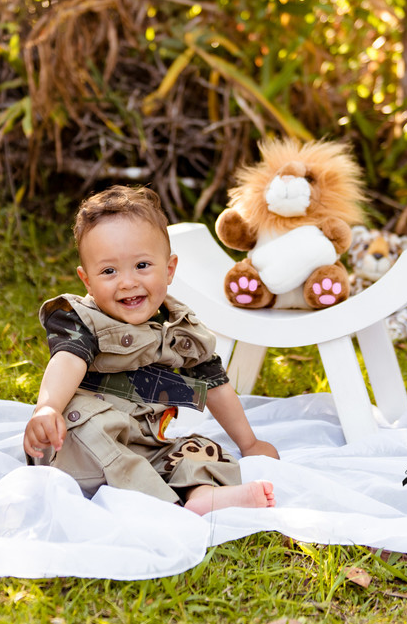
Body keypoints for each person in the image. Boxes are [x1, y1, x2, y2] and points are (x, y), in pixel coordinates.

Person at [23, 185, 278, 515]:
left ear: (169, 269)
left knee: (199, 449)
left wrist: (249, 444)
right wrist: (48, 408)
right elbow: (67, 361)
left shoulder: (181, 330)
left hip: (145, 445)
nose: (127, 282)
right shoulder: (82, 320)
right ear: (87, 281)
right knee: (88, 428)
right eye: (109, 271)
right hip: (76, 445)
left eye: (142, 265)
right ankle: (169, 507)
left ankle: (200, 495)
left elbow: (215, 386)